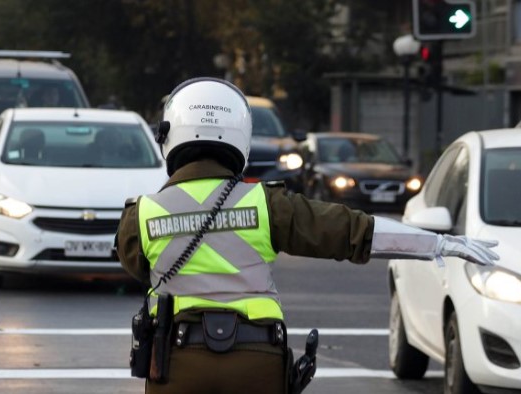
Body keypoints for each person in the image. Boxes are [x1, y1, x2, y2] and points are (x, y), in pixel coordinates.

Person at [115, 77, 499, 394]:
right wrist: (438, 243)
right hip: (258, 360)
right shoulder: (267, 205)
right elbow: (353, 231)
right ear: (240, 136)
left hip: (178, 363)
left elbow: (135, 266)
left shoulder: (143, 214)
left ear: (169, 136)